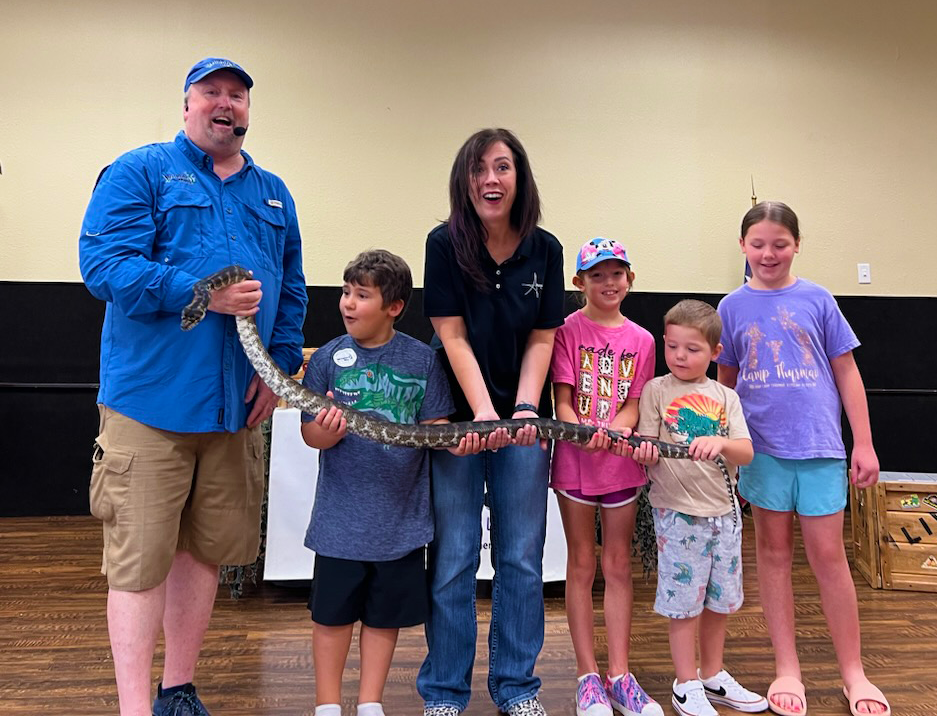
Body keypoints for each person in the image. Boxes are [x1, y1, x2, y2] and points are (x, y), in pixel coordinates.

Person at [79, 57, 307, 716]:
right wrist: (204, 294)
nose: (225, 104)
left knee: (206, 554)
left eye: (236, 95)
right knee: (139, 562)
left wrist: (280, 367)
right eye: (211, 93)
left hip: (233, 410)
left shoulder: (272, 193)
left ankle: (177, 690)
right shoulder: (140, 172)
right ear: (187, 105)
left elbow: (290, 289)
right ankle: (133, 708)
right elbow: (104, 266)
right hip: (150, 405)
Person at [716, 202, 889, 716]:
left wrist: (864, 442)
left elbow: (847, 373)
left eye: (780, 244)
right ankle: (786, 668)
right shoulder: (730, 307)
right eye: (758, 244)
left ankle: (853, 673)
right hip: (762, 451)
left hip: (819, 449)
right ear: (743, 246)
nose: (769, 254)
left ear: (796, 245)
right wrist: (721, 447)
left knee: (829, 559)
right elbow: (722, 387)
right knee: (771, 557)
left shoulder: (818, 300)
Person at [417, 128, 565, 716]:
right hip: (456, 421)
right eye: (479, 169)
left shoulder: (546, 249)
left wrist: (524, 407)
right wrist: (481, 412)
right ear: (464, 180)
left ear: (519, 178)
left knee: (522, 558)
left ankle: (516, 687)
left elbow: (543, 336)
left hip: (524, 423)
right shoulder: (443, 242)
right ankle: (446, 691)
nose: (490, 179)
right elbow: (450, 333)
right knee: (453, 557)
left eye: (502, 168)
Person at [300, 249, 486, 716]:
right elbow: (311, 436)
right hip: (340, 523)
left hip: (401, 524)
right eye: (346, 292)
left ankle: (369, 703)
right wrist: (326, 428)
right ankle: (327, 704)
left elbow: (436, 425)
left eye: (361, 295)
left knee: (383, 618)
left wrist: (456, 441)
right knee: (332, 615)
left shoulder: (421, 360)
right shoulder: (327, 358)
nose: (347, 303)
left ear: (394, 307)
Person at [631, 299, 766, 716]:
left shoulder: (726, 396)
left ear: (714, 352)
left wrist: (721, 443)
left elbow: (745, 452)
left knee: (720, 602)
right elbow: (646, 447)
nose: (679, 357)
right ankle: (685, 683)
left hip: (724, 516)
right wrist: (640, 449)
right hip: (677, 514)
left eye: (691, 349)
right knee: (683, 602)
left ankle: (712, 674)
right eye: (672, 347)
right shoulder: (655, 390)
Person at [549, 238, 662, 716]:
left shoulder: (643, 340)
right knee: (582, 565)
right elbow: (562, 400)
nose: (608, 282)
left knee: (617, 566)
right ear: (580, 283)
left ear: (630, 280)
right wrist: (581, 430)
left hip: (621, 464)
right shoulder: (567, 330)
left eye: (617, 273)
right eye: (597, 275)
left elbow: (635, 403)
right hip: (575, 461)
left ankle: (620, 673)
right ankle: (587, 675)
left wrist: (618, 429)